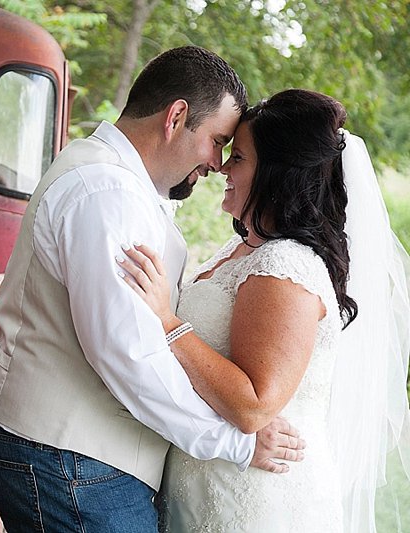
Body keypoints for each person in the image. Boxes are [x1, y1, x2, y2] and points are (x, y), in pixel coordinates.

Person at [0, 46, 307, 533]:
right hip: (70, 457)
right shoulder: (105, 194)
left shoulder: (123, 185)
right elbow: (129, 354)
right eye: (216, 141)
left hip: (84, 456)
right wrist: (235, 442)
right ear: (176, 116)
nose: (218, 163)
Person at [118, 89, 410, 532]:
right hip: (209, 483)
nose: (222, 169)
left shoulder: (284, 266)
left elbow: (254, 405)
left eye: (238, 158)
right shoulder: (241, 249)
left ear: (276, 174)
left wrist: (167, 322)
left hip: (254, 499)